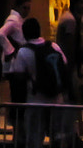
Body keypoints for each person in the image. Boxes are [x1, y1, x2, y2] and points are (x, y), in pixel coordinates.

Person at [13, 18, 69, 148]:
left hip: (36, 101)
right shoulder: (53, 46)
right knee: (57, 137)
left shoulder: (23, 52)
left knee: (34, 138)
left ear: (24, 33)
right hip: (57, 99)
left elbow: (18, 75)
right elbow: (64, 64)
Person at [0, 0, 33, 103]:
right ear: (17, 7)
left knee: (19, 94)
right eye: (24, 8)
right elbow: (0, 34)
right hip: (15, 63)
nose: (27, 11)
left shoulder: (19, 20)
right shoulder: (14, 20)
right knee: (18, 94)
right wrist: (11, 50)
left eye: (28, 8)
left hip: (18, 61)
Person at [55, 0, 83, 97]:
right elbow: (69, 45)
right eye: (81, 3)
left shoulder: (73, 18)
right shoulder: (70, 20)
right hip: (68, 61)